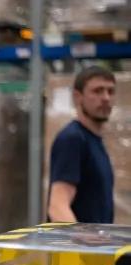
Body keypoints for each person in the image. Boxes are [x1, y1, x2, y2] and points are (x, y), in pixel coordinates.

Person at [48, 66, 116, 223]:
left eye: (110, 91)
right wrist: (81, 246)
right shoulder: (73, 139)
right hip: (81, 246)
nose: (106, 98)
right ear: (78, 97)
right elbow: (57, 207)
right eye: (97, 91)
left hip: (99, 246)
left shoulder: (95, 141)